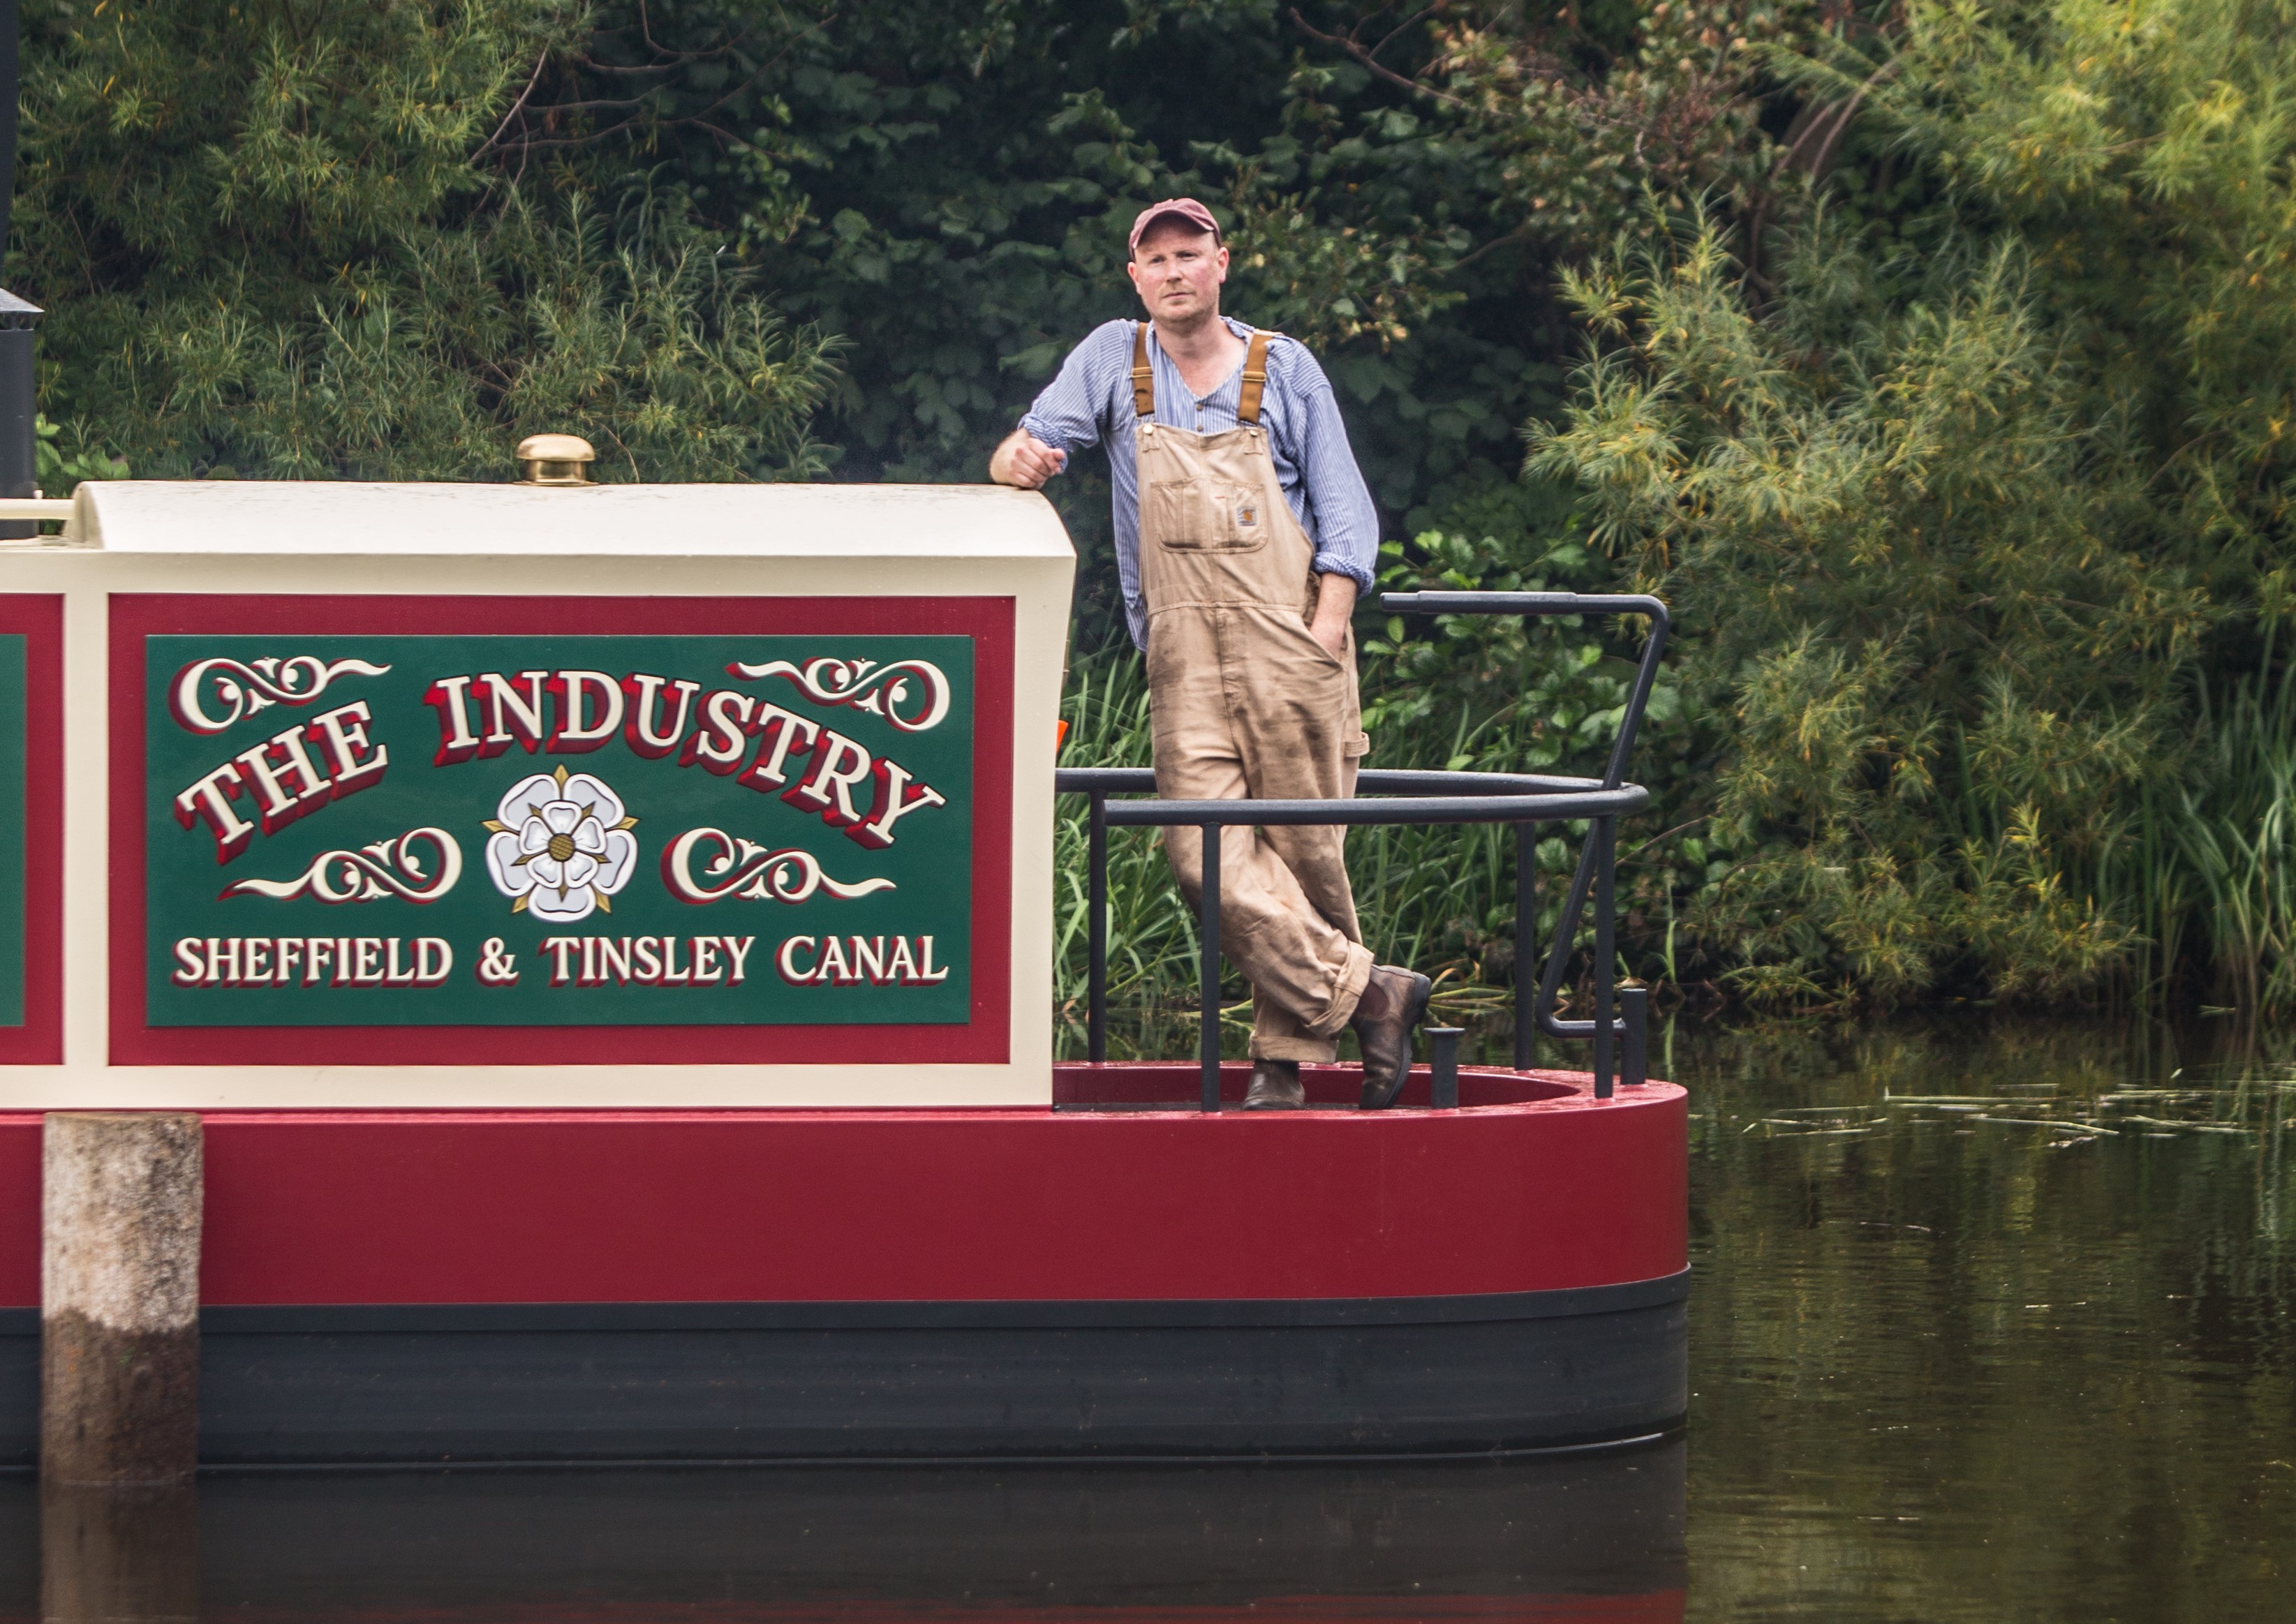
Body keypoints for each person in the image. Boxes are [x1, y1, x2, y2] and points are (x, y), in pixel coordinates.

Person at [991, 198, 1431, 1110]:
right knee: (1202, 853)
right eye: (1156, 260)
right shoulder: (1113, 358)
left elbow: (1344, 510)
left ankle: (1284, 1068)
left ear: (1221, 264)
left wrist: (1329, 626)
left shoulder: (1284, 366)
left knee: (1306, 852)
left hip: (1291, 633)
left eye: (1189, 254)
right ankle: (1370, 993)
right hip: (1180, 651)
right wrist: (1016, 464)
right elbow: (1025, 449)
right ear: (1135, 278)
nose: (1174, 272)